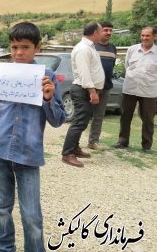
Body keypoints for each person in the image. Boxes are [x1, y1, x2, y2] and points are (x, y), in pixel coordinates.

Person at [0, 22, 66, 252]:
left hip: (29, 155)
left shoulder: (46, 78)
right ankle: (5, 249)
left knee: (31, 214)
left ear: (37, 48)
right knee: (1, 208)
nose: (19, 53)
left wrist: (48, 98)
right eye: (15, 47)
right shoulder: (0, 75)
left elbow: (59, 120)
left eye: (25, 47)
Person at [61, 22, 105, 167]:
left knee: (83, 122)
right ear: (95, 33)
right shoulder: (83, 49)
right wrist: (92, 91)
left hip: (85, 89)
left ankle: (75, 148)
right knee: (79, 122)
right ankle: (67, 154)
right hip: (83, 89)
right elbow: (84, 72)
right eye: (101, 31)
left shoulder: (89, 47)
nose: (103, 34)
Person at [113, 26, 157, 154]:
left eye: (147, 36)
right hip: (130, 89)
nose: (144, 38)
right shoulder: (132, 50)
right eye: (142, 35)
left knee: (148, 119)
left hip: (149, 91)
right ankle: (122, 141)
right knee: (125, 116)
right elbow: (127, 66)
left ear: (154, 36)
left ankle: (146, 145)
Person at [88, 21, 117, 150]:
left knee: (99, 116)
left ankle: (93, 142)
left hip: (106, 88)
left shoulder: (113, 48)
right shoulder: (92, 46)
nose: (108, 33)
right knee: (83, 115)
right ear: (99, 31)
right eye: (105, 30)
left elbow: (112, 66)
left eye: (110, 30)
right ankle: (74, 143)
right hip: (91, 88)